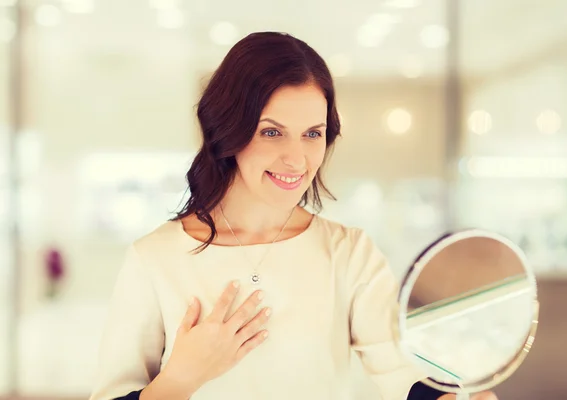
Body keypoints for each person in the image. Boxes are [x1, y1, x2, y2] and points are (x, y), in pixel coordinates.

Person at [89, 31, 497, 400]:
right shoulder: (154, 259)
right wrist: (179, 380)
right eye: (271, 131)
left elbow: (402, 369)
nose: (297, 159)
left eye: (312, 134)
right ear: (228, 128)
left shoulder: (349, 254)